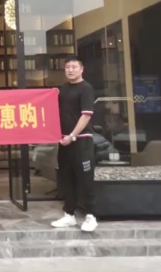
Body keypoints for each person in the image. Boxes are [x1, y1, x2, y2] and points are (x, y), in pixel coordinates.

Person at [50, 56, 98, 232]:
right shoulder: (64, 89)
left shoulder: (86, 88)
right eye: (67, 67)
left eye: (74, 67)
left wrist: (72, 135)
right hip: (65, 142)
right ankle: (69, 215)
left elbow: (86, 116)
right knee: (66, 179)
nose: (70, 70)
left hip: (81, 141)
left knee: (85, 179)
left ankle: (91, 216)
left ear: (81, 69)